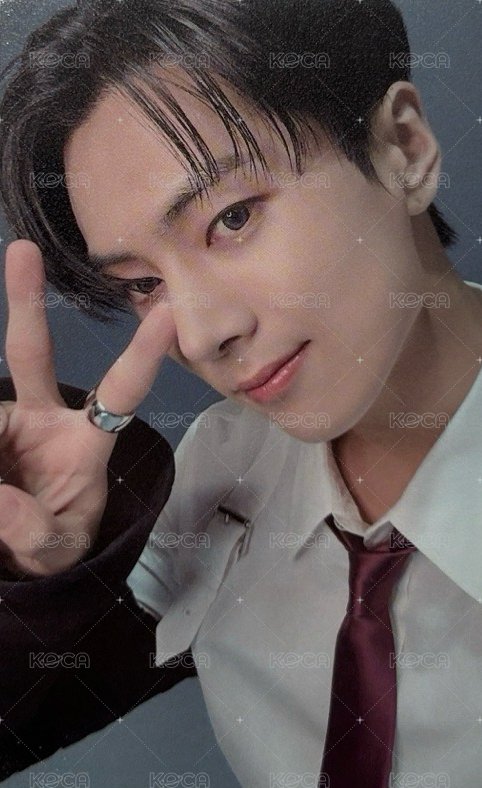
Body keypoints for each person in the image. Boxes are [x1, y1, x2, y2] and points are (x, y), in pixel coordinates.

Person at [0, 0, 481, 785]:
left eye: (231, 219)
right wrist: (41, 584)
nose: (198, 337)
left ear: (404, 147)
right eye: (143, 283)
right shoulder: (224, 468)